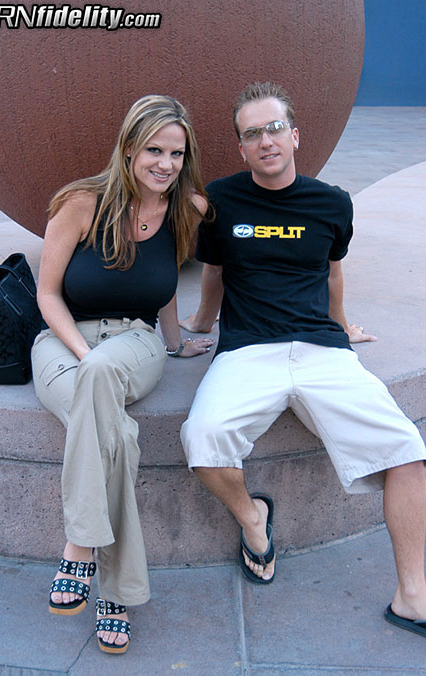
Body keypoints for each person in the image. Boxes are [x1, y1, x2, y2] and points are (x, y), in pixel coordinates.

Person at [180, 81, 426, 638]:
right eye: (252, 134)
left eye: (274, 129)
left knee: (408, 453)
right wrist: (199, 323)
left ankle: (412, 596)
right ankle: (254, 519)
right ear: (241, 147)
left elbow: (332, 270)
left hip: (322, 351)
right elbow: (214, 271)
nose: (265, 141)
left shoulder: (332, 203)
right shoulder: (222, 200)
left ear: (294, 135)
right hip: (248, 351)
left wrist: (342, 323)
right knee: (201, 439)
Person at [31, 94, 213, 654]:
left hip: (137, 342)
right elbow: (47, 294)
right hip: (64, 342)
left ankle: (79, 547)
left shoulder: (187, 208)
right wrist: (83, 354)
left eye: (177, 154)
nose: (166, 164)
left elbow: (164, 290)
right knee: (118, 435)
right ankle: (116, 591)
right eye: (155, 150)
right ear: (129, 147)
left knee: (103, 380)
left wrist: (177, 341)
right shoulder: (80, 203)